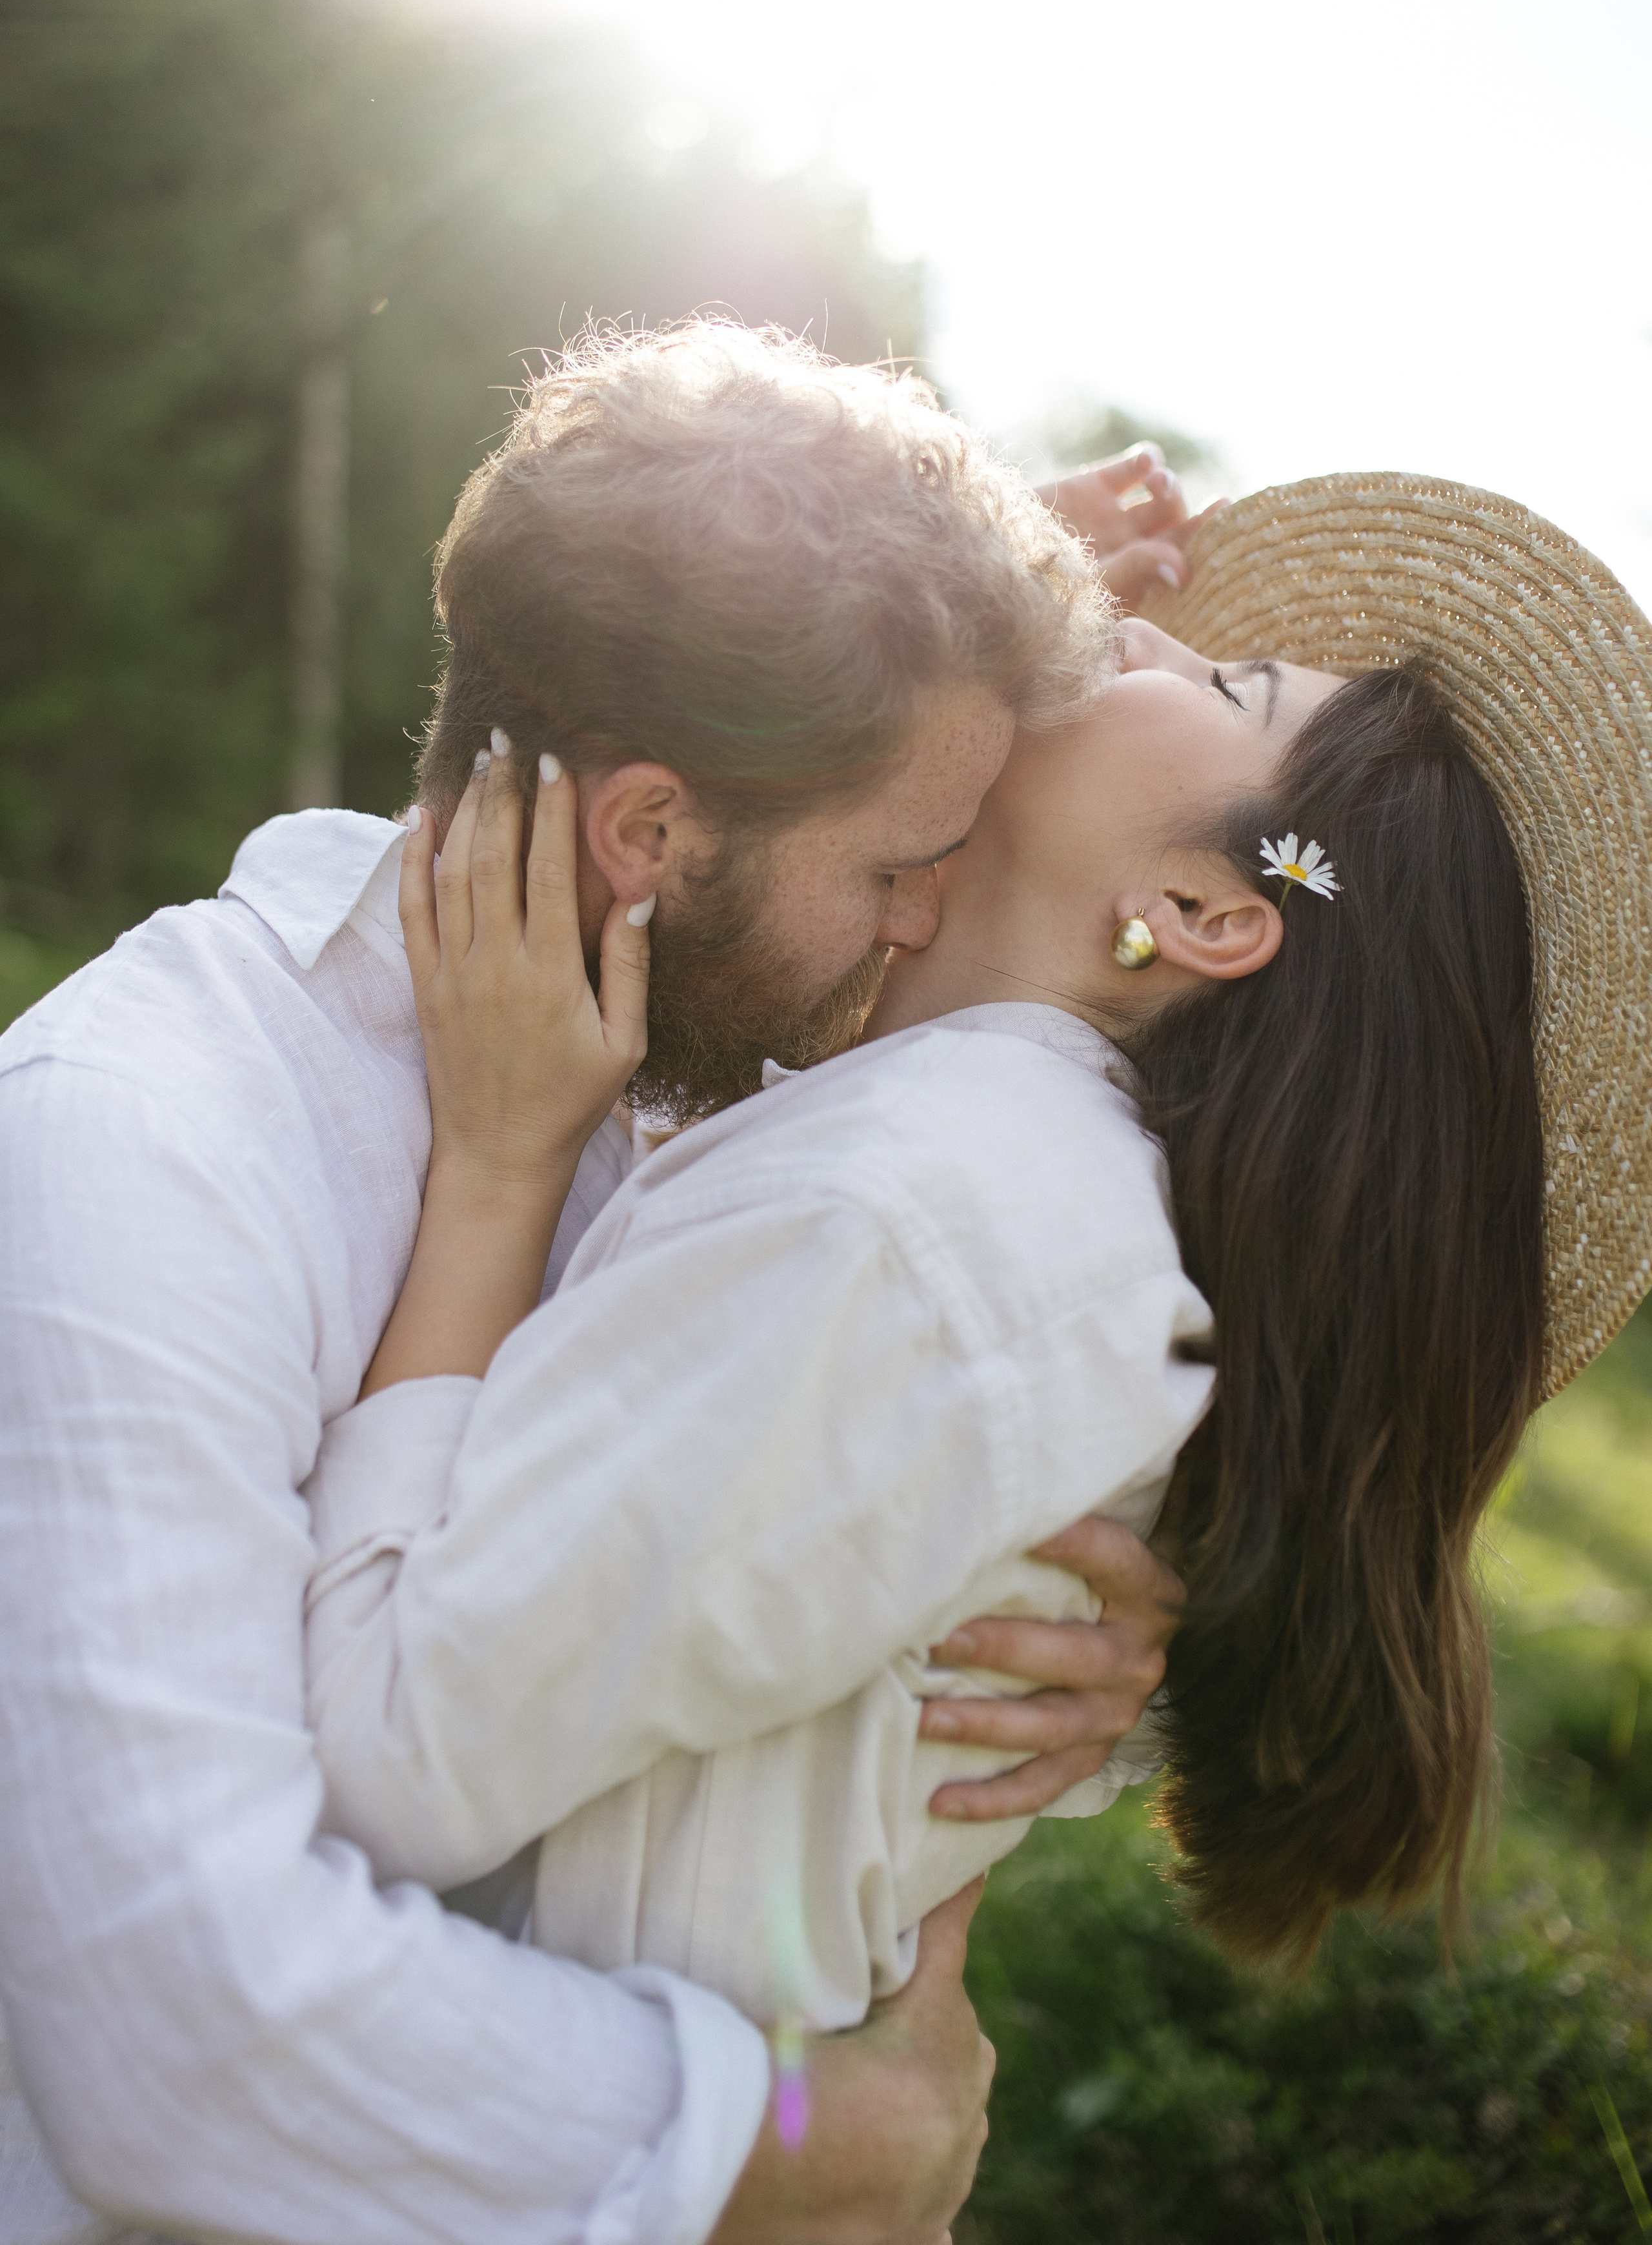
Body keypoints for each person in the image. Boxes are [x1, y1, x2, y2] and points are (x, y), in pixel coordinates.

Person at [0, 321, 1198, 2245]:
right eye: (906, 858)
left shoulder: (731, 1091)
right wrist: (810, 2151)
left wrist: (1077, 1641)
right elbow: (183, 2032)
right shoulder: (139, 1140)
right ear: (649, 832)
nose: (925, 918)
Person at [298, 474, 1652, 2045]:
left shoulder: (907, 1218)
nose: (1140, 632)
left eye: (1227, 688)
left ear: (1205, 911)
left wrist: (495, 1173)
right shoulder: (985, 1190)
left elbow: (376, 1748)